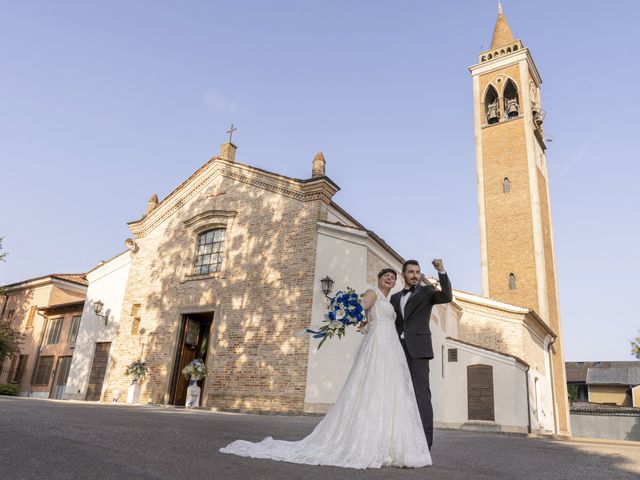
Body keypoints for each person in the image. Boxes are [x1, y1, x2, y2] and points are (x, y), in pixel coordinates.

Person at [219, 268, 432, 469]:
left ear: (396, 281)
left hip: (391, 346)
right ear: (378, 279)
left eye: (393, 277)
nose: (389, 279)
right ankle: (368, 440)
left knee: (389, 390)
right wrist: (351, 314)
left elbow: (372, 316)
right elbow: (360, 307)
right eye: (386, 275)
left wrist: (365, 321)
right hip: (377, 344)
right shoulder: (373, 292)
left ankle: (388, 442)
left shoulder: (390, 300)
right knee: (372, 385)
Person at [390, 259, 452, 450]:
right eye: (411, 272)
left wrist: (441, 271)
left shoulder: (426, 292)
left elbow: (446, 296)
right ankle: (402, 439)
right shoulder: (394, 297)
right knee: (399, 394)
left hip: (419, 349)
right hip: (396, 349)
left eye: (417, 272)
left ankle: (425, 443)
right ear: (404, 275)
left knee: (421, 396)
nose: (415, 275)